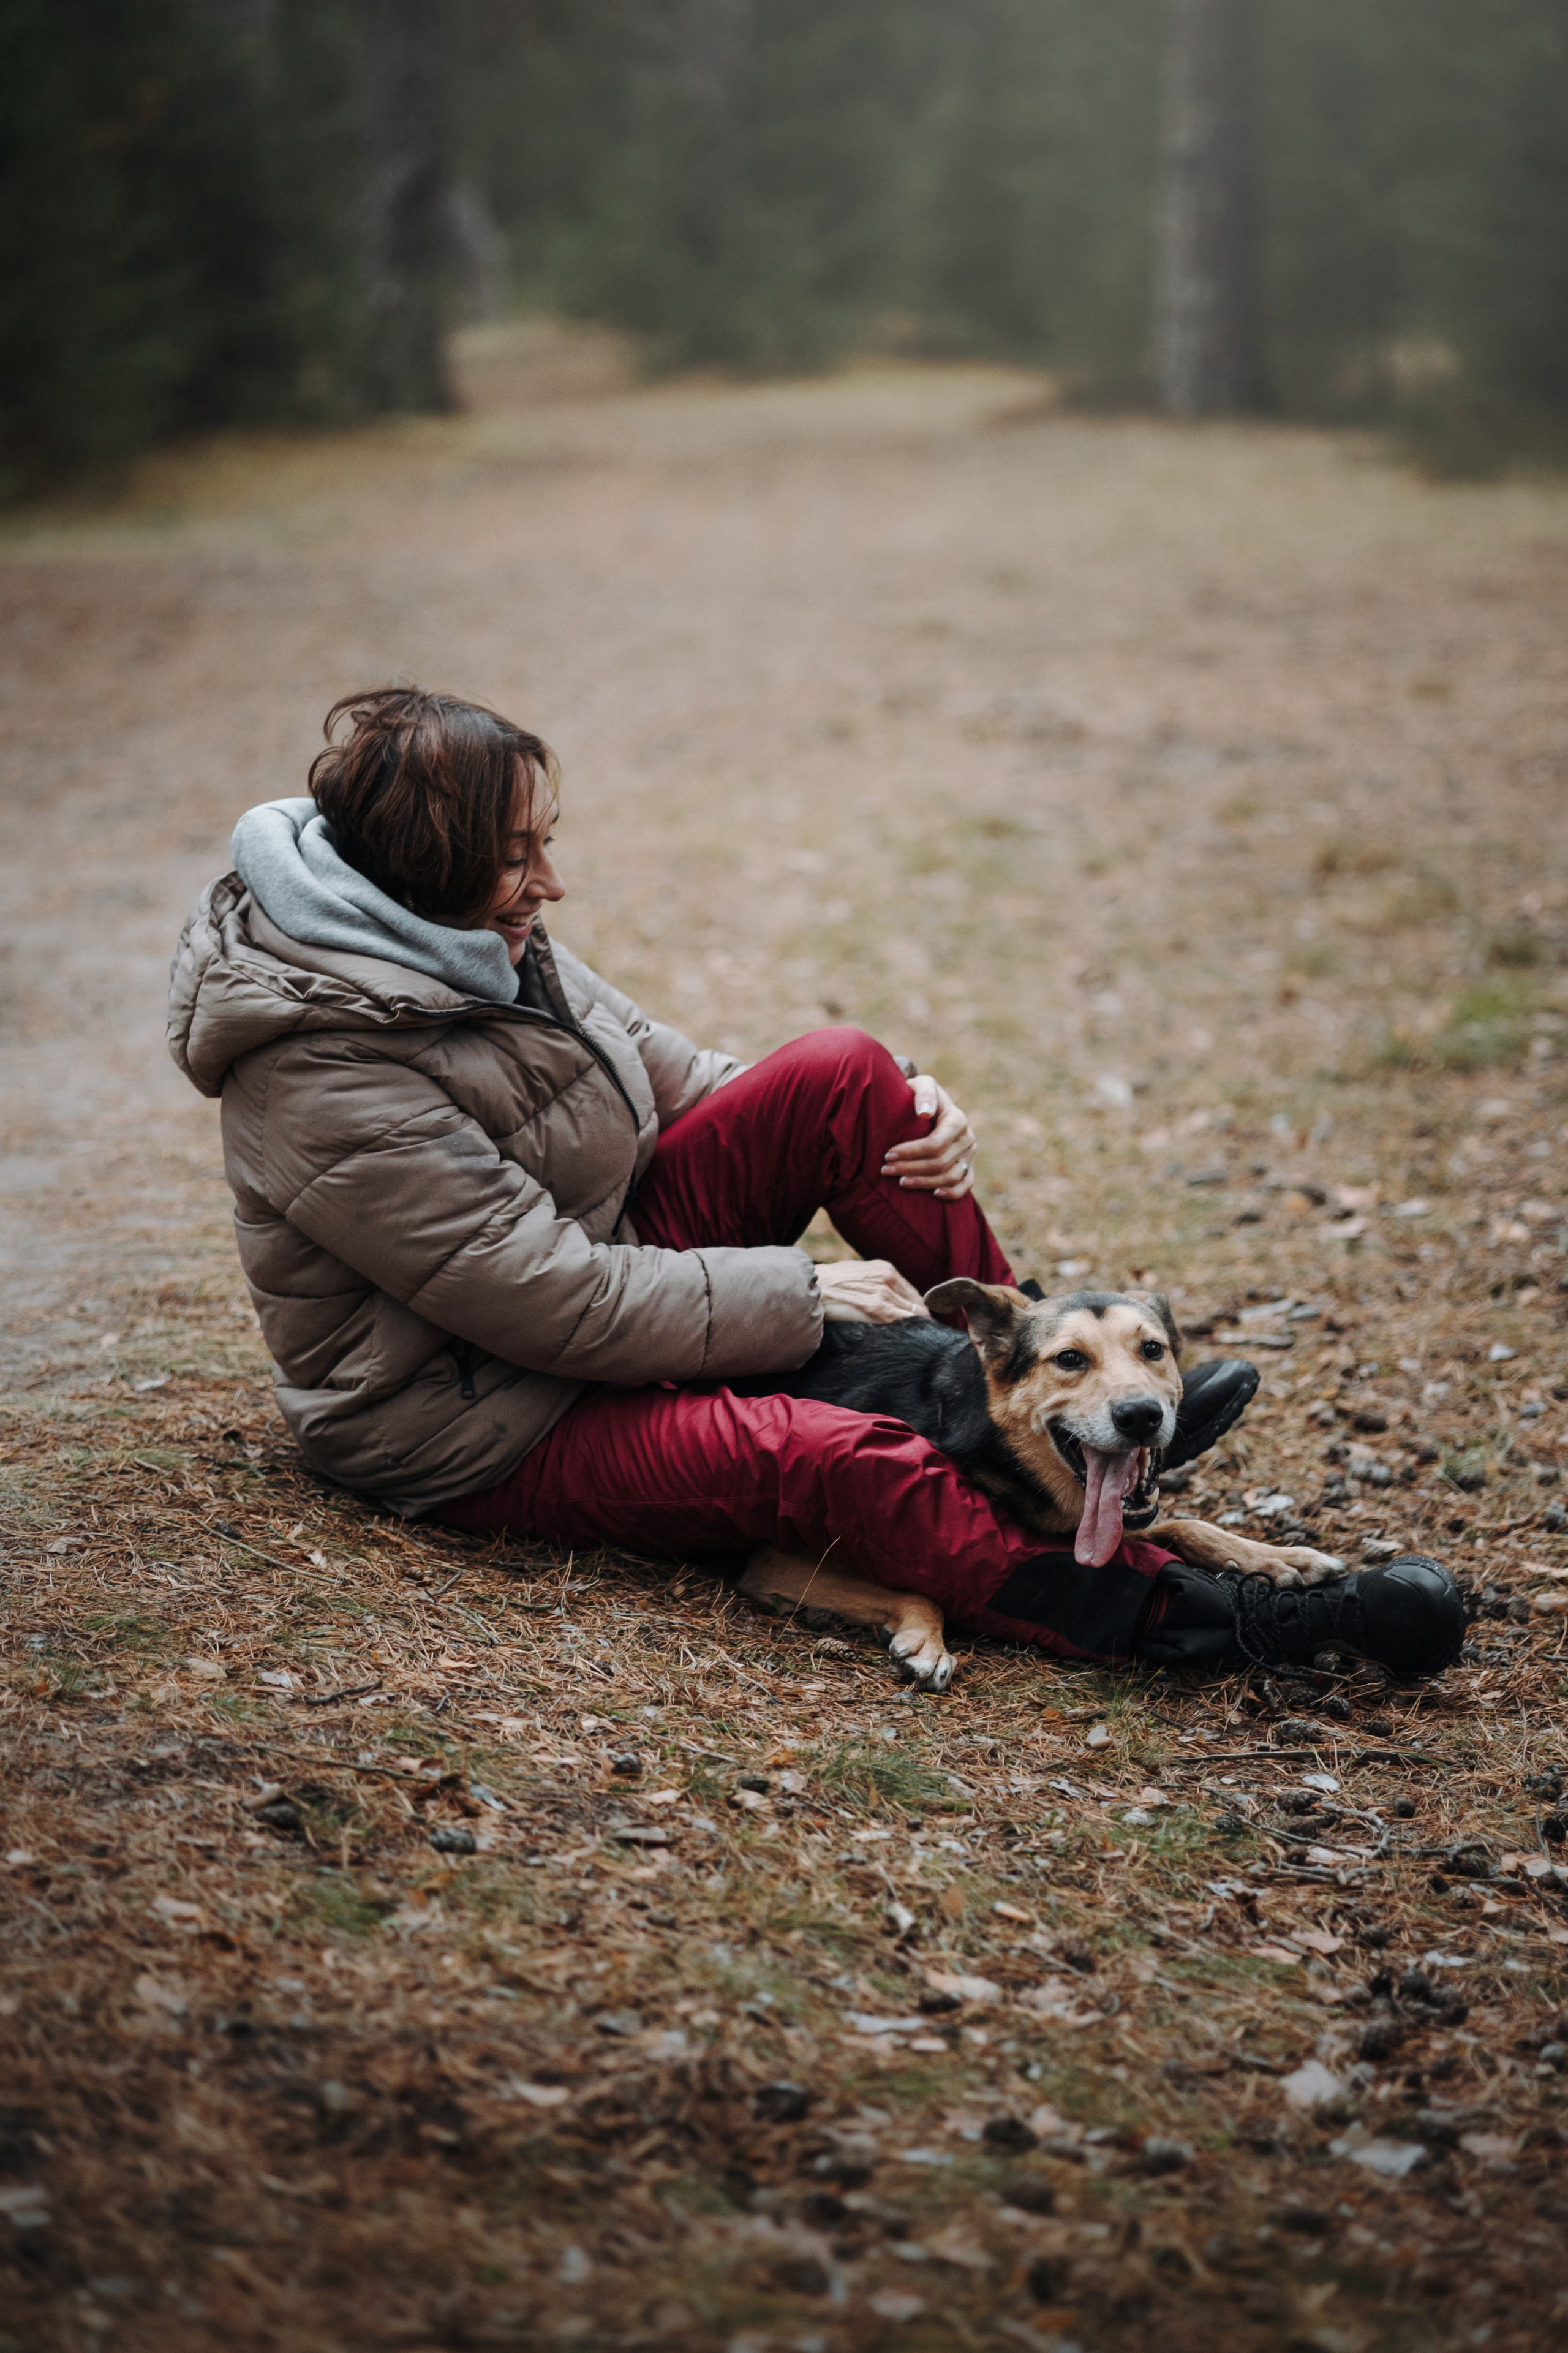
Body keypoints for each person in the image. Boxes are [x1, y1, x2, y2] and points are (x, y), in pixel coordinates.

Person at [167, 687, 1464, 1679]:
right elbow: (544, 1303)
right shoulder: (320, 1066)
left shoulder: (475, 937)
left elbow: (684, 1078)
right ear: (418, 869)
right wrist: (802, 1289)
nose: (550, 883)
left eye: (543, 846)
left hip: (606, 1288)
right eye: (517, 857)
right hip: (481, 1414)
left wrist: (897, 1100)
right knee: (833, 1456)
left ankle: (1050, 1405)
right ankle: (1197, 1613)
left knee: (842, 1071)